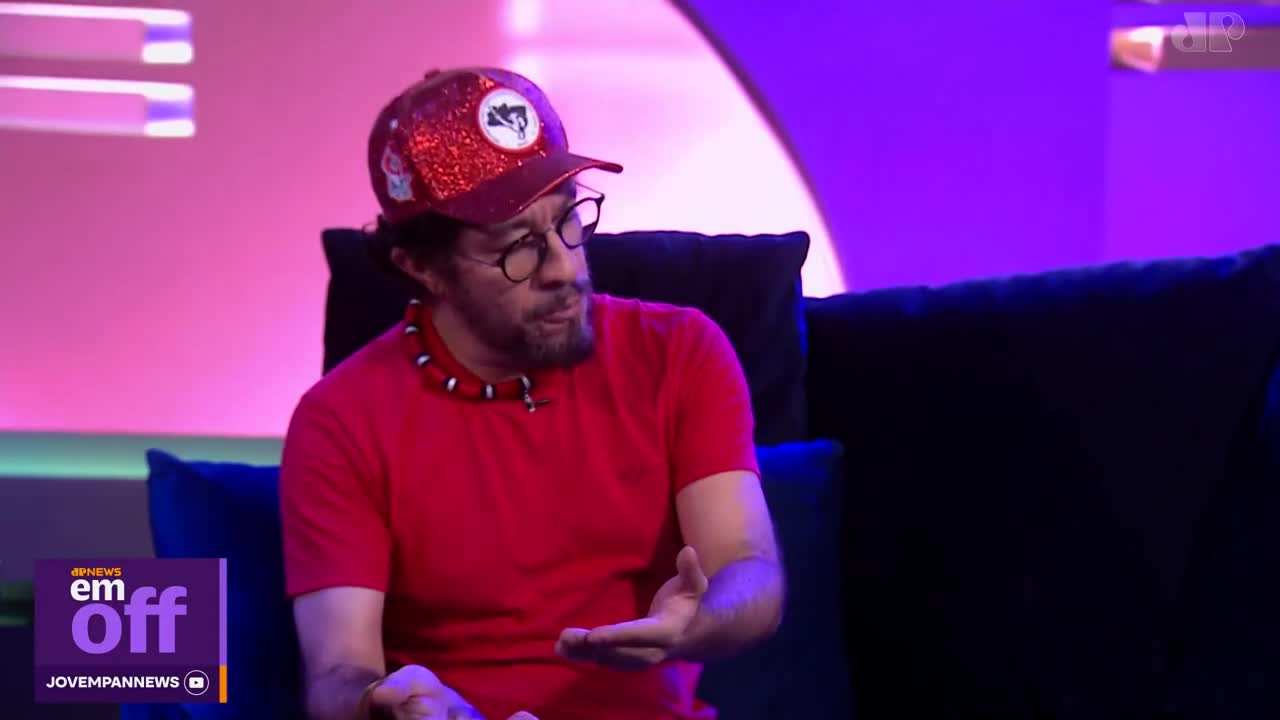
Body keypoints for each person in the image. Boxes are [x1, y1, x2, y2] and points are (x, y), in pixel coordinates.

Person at [280, 67, 785, 720]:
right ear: (421, 267)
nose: (564, 268)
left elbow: (750, 569)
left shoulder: (681, 351)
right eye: (517, 248)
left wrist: (700, 624)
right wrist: (386, 708)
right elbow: (338, 672)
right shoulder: (340, 422)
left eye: (569, 219)